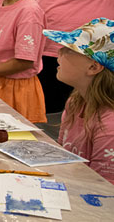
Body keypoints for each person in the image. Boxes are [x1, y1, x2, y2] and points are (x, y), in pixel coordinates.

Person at [43, 18, 114, 184]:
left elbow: (104, 192)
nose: (59, 53)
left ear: (93, 67)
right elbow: (63, 157)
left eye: (69, 49)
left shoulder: (109, 126)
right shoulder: (75, 102)